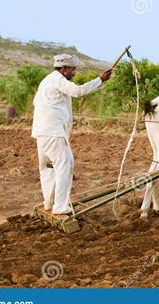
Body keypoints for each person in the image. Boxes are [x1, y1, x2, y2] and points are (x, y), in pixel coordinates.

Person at [31, 54, 112, 215]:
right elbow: (78, 91)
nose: (74, 72)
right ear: (64, 68)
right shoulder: (58, 80)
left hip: (42, 133)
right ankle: (60, 206)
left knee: (48, 168)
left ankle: (49, 203)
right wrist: (100, 79)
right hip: (54, 133)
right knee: (64, 165)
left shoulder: (46, 81)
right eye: (73, 69)